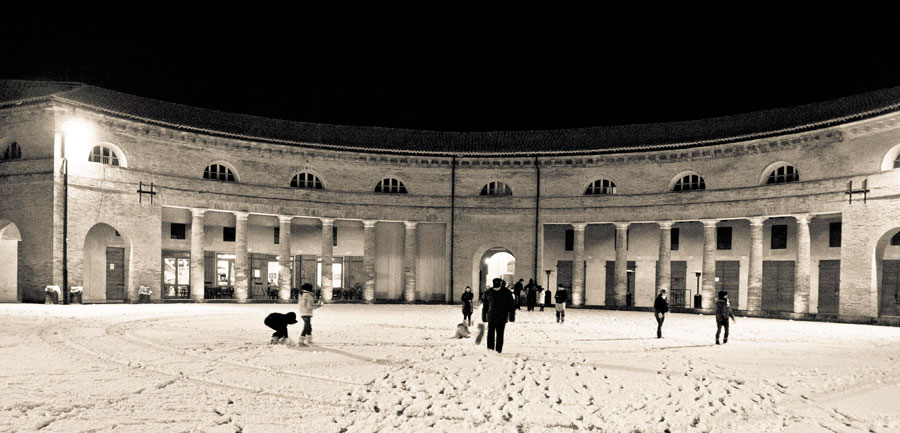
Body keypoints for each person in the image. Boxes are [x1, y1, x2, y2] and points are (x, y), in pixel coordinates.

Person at [482, 277, 516, 353]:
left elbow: (511, 305)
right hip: (492, 316)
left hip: (502, 316)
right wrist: (484, 317)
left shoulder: (507, 292)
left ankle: (498, 350)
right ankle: (490, 349)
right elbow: (485, 305)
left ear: (500, 284)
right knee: (490, 333)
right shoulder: (488, 292)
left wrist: (511, 316)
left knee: (500, 334)